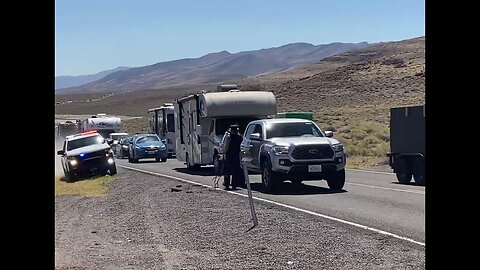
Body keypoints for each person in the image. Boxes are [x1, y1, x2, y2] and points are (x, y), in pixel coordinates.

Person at [222, 124, 243, 190]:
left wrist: (224, 154)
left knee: (227, 170)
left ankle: (227, 184)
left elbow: (226, 146)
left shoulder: (229, 137)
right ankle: (234, 185)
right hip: (236, 155)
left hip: (230, 155)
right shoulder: (240, 137)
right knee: (235, 171)